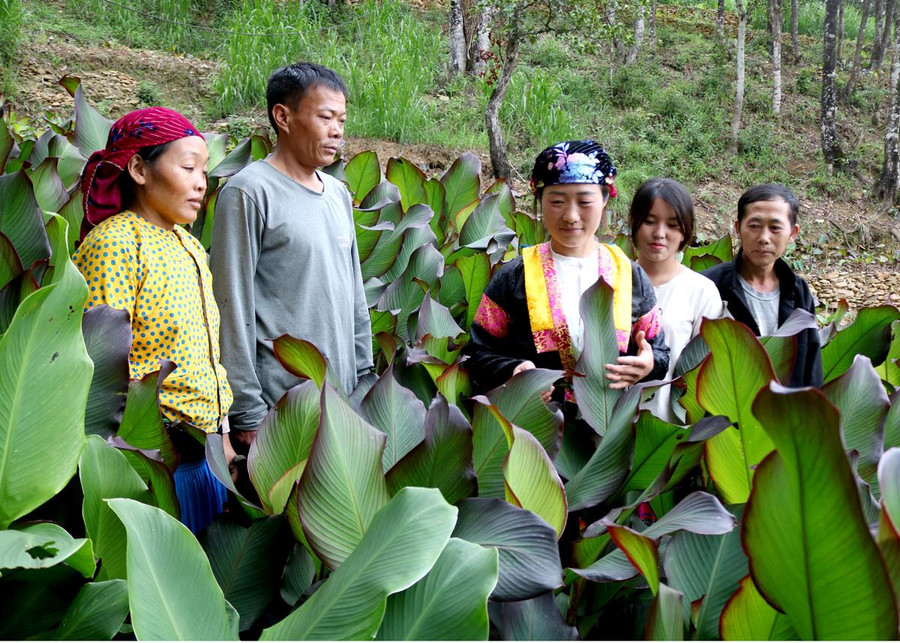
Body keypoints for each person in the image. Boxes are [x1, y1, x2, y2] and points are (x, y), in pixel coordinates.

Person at [74, 106, 235, 534]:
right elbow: (103, 364)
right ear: (139, 170)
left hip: (208, 458)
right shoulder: (115, 244)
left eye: (205, 170)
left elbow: (207, 357)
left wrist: (224, 439)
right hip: (150, 463)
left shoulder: (190, 246)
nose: (202, 182)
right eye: (188, 167)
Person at [210, 62, 373, 447]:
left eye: (342, 120)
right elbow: (230, 306)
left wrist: (364, 375)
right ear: (282, 117)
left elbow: (354, 294)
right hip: (280, 412)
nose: (337, 131)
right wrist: (248, 411)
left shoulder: (336, 194)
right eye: (325, 117)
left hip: (341, 403)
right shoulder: (249, 192)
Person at [463, 140, 669, 404]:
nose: (571, 216)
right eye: (557, 201)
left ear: (605, 199)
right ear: (539, 201)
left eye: (584, 201)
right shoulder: (514, 277)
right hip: (534, 430)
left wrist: (649, 364)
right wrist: (512, 372)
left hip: (608, 431)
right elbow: (477, 352)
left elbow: (659, 351)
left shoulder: (630, 276)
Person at [703, 183, 823, 387]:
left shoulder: (799, 291)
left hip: (786, 413)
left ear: (793, 233)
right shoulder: (709, 286)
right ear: (737, 228)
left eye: (775, 228)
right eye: (754, 226)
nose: (764, 238)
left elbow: (811, 369)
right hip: (728, 413)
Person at [628, 178, 724, 423]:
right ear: (634, 223)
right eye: (649, 221)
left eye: (672, 225)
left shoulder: (701, 291)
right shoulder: (609, 282)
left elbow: (707, 376)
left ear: (685, 232)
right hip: (606, 433)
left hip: (669, 436)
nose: (659, 233)